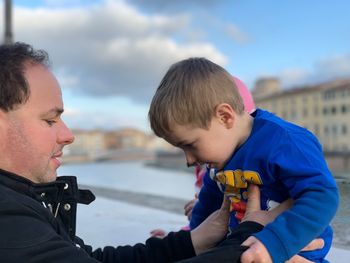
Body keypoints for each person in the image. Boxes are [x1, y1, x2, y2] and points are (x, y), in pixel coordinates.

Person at [0, 42, 295, 263]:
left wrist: (192, 242)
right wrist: (253, 236)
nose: (68, 135)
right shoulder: (8, 220)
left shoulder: (20, 203)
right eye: (50, 120)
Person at [148, 57, 339, 262]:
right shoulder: (222, 158)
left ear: (224, 117)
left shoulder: (284, 141)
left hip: (291, 251)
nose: (188, 160)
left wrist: (272, 245)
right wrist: (188, 244)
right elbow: (208, 207)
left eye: (190, 145)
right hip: (241, 248)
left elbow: (322, 196)